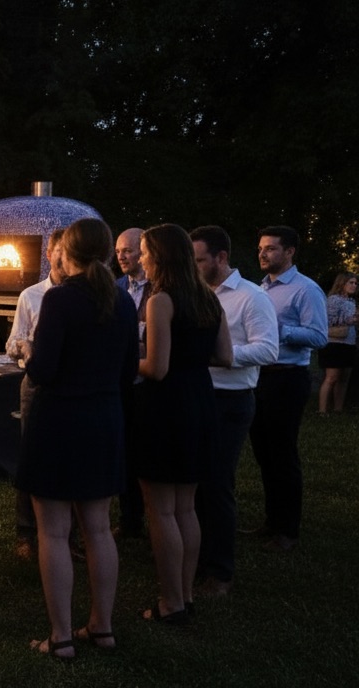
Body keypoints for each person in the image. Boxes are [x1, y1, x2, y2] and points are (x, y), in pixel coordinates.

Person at [15, 218, 138, 658]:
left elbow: (44, 370)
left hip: (59, 422)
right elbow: (128, 372)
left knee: (53, 531)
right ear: (107, 253)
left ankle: (62, 636)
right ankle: (102, 628)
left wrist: (29, 352)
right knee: (99, 529)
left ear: (67, 251)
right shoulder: (123, 302)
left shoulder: (61, 299)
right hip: (104, 420)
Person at [135, 224, 232, 624]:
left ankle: (171, 602)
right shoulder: (210, 300)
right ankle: (187, 594)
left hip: (165, 406)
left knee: (161, 509)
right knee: (186, 506)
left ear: (159, 257)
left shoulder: (161, 300)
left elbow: (156, 368)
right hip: (200, 402)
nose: (141, 259)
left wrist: (123, 360)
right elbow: (225, 356)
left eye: (144, 252)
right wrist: (190, 358)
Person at [188, 225, 279, 598]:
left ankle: (220, 572)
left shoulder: (251, 298)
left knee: (217, 484)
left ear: (221, 258)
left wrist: (220, 357)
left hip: (231, 400)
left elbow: (268, 350)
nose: (194, 267)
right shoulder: (194, 294)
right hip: (197, 396)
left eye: (199, 260)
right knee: (193, 483)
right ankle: (195, 560)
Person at [249, 226, 328, 552]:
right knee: (263, 451)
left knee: (282, 452)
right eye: (261, 248)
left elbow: (319, 336)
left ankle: (288, 530)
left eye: (270, 248)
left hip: (287, 378)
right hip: (259, 377)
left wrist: (280, 330)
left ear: (290, 251)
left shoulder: (304, 290)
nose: (263, 254)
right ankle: (272, 520)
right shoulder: (259, 288)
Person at [6, 228, 65, 561]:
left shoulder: (81, 295)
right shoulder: (31, 295)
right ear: (48, 253)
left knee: (66, 458)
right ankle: (26, 532)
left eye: (66, 250)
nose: (61, 256)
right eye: (57, 249)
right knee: (30, 456)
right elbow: (13, 342)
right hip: (36, 385)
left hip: (69, 387)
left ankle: (66, 534)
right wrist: (25, 349)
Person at [113, 226, 149, 540]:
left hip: (150, 385)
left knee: (146, 453)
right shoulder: (116, 288)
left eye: (129, 250)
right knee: (124, 451)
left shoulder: (161, 290)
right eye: (119, 251)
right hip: (123, 383)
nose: (122, 256)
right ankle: (129, 519)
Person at [318, 272, 357, 413]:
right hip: (334, 343)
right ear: (342, 283)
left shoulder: (352, 302)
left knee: (344, 378)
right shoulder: (334, 300)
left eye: (355, 283)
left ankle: (338, 409)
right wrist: (350, 320)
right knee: (331, 378)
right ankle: (322, 410)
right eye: (351, 282)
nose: (354, 286)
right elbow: (327, 321)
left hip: (349, 343)